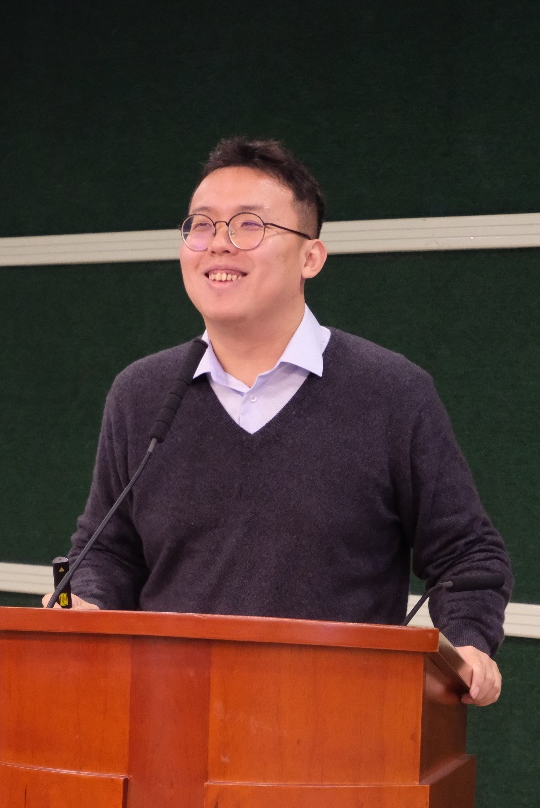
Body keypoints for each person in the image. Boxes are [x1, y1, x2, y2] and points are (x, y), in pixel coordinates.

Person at [45, 138, 512, 706]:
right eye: (201, 226)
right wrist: (85, 602)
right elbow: (107, 551)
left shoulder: (392, 392)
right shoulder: (141, 393)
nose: (219, 243)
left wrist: (469, 643)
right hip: (171, 720)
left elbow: (466, 555)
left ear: (311, 257)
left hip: (339, 722)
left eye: (249, 225)